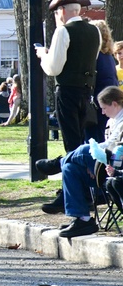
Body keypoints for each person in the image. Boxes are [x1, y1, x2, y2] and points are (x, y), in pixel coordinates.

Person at [35, 0, 101, 213]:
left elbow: (54, 68)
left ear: (62, 11)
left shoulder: (63, 31)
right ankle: (79, 189)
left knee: (72, 145)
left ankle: (69, 192)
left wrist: (44, 54)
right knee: (81, 143)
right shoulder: (95, 31)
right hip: (87, 92)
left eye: (57, 12)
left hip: (67, 92)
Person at [37, 87, 123, 238]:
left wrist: (91, 153)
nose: (102, 112)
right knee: (70, 168)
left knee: (84, 149)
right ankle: (83, 219)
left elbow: (112, 146)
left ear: (114, 104)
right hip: (103, 165)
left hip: (116, 168)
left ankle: (58, 164)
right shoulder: (112, 120)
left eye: (104, 108)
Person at [89, 20, 118, 142]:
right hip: (110, 99)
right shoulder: (109, 56)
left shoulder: (95, 56)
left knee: (95, 137)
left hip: (100, 101)